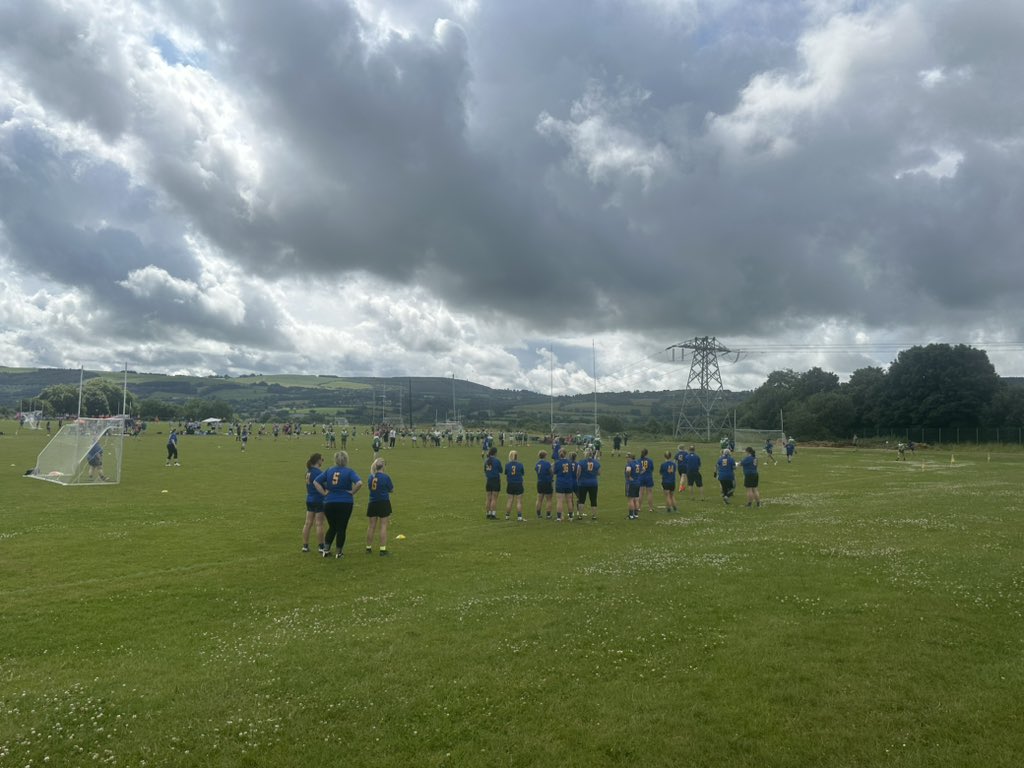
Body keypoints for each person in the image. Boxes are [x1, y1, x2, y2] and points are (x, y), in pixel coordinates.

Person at [314, 450, 363, 558]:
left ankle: (325, 550)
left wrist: (324, 493)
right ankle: (339, 552)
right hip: (345, 502)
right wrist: (352, 492)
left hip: (329, 502)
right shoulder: (349, 471)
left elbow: (316, 482)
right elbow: (359, 483)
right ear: (346, 460)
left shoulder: (329, 470)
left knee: (332, 527)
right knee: (341, 528)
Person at [365, 458, 394, 555]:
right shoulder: (385, 477)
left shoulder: (371, 477)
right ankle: (382, 550)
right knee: (383, 526)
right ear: (383, 466)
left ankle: (368, 548)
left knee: (371, 526)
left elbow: (370, 487)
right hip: (383, 502)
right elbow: (391, 489)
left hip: (372, 502)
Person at [302, 453, 326, 553]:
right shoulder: (318, 472)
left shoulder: (308, 472)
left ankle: (305, 546)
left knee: (307, 523)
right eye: (322, 459)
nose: (322, 461)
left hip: (309, 499)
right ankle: (321, 546)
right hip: (319, 499)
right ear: (318, 461)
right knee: (319, 523)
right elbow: (325, 485)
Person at [575, 449, 601, 520]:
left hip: (583, 483)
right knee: (593, 499)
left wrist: (577, 479)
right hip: (593, 483)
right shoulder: (596, 462)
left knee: (581, 499)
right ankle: (594, 515)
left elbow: (578, 472)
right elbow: (599, 473)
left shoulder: (581, 462)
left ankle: (580, 515)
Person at [552, 449, 575, 522]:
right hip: (569, 482)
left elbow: (554, 472)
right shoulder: (570, 462)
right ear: (566, 454)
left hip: (560, 483)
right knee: (569, 500)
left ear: (559, 454)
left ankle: (559, 518)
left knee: (559, 500)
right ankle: (571, 517)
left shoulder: (557, 463)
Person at [504, 450, 526, 521]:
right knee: (519, 501)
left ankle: (507, 516)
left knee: (510, 500)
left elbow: (506, 474)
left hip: (510, 484)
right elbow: (522, 474)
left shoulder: (507, 465)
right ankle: (519, 517)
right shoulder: (520, 465)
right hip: (518, 483)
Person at [484, 446, 502, 520]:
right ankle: (493, 514)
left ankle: (487, 514)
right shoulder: (497, 461)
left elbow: (485, 470)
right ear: (495, 453)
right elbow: (501, 470)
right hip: (495, 480)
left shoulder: (486, 461)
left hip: (488, 480)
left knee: (488, 498)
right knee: (494, 498)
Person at [534, 450, 553, 519]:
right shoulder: (547, 463)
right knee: (549, 499)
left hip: (540, 482)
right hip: (547, 482)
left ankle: (538, 514)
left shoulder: (537, 463)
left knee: (539, 499)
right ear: (545, 456)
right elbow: (551, 472)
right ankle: (548, 515)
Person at [636, 448, 655, 514]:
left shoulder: (638, 461)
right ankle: (650, 508)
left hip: (641, 478)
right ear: (647, 453)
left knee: (640, 493)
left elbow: (637, 470)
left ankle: (639, 507)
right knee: (649, 493)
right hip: (648, 477)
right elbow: (652, 469)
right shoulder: (650, 461)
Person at [624, 452, 641, 519]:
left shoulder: (629, 464)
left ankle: (631, 515)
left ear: (630, 458)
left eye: (627, 458)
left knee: (630, 499)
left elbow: (628, 471)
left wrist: (629, 477)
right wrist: (637, 475)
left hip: (631, 483)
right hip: (637, 482)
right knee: (636, 499)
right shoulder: (638, 463)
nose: (626, 459)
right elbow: (643, 469)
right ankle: (636, 514)